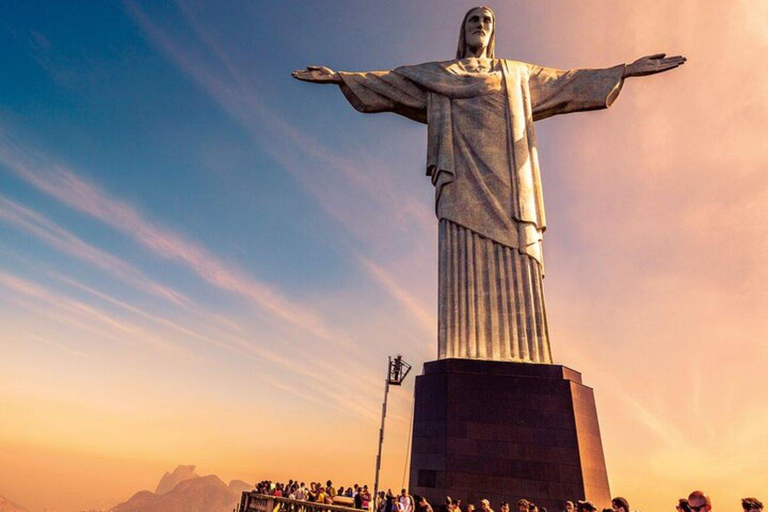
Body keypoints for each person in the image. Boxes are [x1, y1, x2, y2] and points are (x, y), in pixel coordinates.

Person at [292, 6, 685, 365]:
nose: (480, 25)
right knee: (463, 259)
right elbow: (390, 83)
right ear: (463, 32)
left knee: (518, 258)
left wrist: (624, 70)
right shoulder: (438, 75)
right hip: (461, 178)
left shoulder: (516, 74)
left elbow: (570, 81)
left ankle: (527, 355)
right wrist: (339, 77)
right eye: (473, 20)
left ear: (493, 32)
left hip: (511, 185)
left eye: (486, 20)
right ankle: (465, 348)